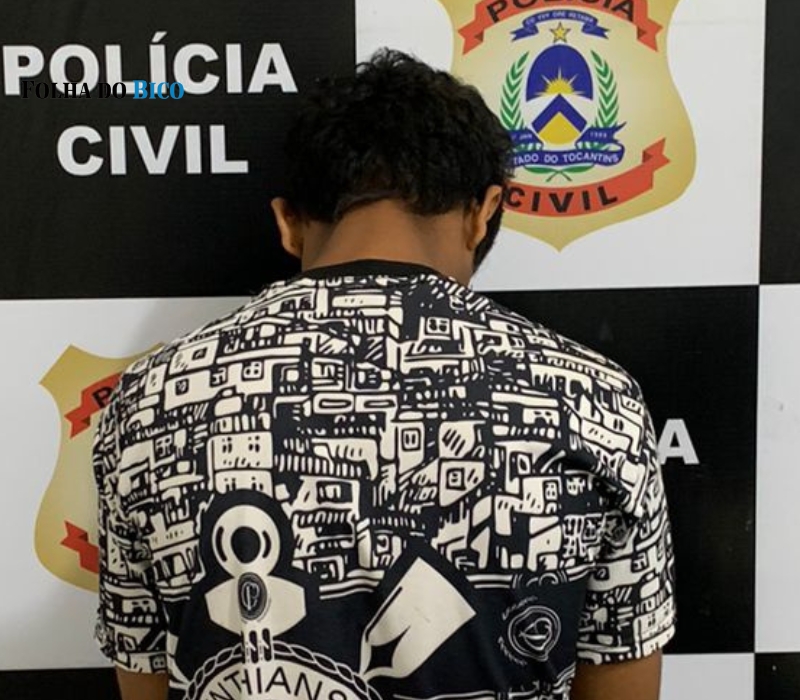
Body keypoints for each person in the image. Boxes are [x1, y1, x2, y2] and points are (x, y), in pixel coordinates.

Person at [93, 49, 675, 700]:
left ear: (287, 223)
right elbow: (623, 680)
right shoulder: (594, 400)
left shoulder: (147, 401)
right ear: (484, 211)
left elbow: (145, 677)